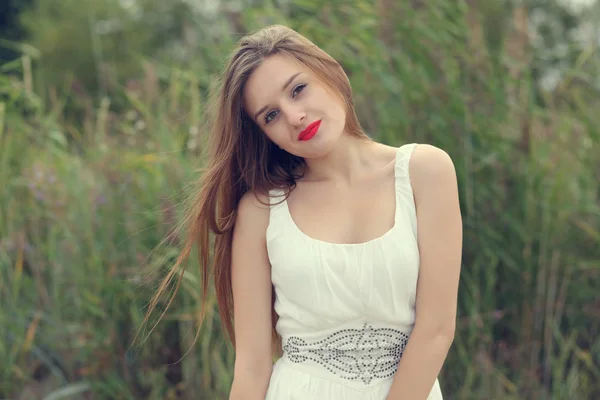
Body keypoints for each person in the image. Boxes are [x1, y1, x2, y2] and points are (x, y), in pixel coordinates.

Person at [145, 24, 463, 400]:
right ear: (263, 134)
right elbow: (252, 367)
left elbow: (436, 330)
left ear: (329, 70)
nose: (294, 116)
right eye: (270, 116)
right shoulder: (262, 211)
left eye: (298, 89)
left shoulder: (424, 172)